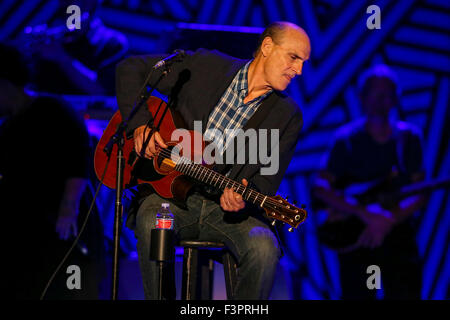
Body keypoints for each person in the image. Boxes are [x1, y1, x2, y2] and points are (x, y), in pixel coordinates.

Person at [115, 21, 311, 299]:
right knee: (152, 222)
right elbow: (130, 69)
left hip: (229, 214)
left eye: (304, 62)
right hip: (171, 197)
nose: (299, 70)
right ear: (267, 46)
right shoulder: (206, 66)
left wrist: (243, 197)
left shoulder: (287, 115)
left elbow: (266, 182)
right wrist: (140, 125)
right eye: (294, 57)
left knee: (264, 247)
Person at [313, 64, 425, 300]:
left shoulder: (409, 138)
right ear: (363, 97)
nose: (379, 99)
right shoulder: (346, 139)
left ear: (395, 98)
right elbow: (321, 187)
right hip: (356, 235)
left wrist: (387, 220)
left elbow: (420, 191)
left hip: (397, 232)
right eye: (374, 92)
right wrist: (365, 214)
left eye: (385, 93)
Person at [0, 44, 94, 299]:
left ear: (5, 84)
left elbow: (78, 157)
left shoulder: (51, 110)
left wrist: (68, 207)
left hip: (56, 226)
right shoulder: (9, 124)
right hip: (29, 229)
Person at [23, 0, 128, 95]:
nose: (64, 4)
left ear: (90, 3)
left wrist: (62, 58)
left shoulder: (112, 43)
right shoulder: (52, 39)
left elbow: (102, 91)